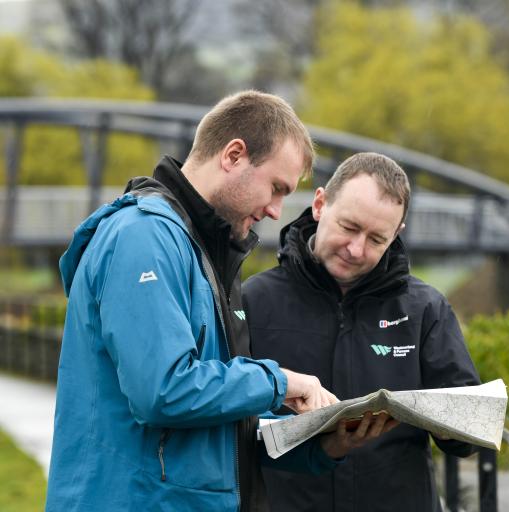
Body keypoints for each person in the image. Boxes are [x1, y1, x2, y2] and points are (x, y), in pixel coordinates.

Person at [46, 91, 395, 511]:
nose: (275, 211)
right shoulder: (145, 238)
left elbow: (219, 426)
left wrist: (324, 442)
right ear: (233, 156)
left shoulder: (208, 249)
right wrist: (280, 381)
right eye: (276, 188)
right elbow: (162, 391)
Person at [242, 152, 482, 512]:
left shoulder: (425, 308)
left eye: (376, 239)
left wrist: (456, 429)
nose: (356, 249)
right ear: (320, 204)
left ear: (397, 234)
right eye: (349, 227)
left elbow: (468, 436)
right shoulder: (253, 300)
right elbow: (225, 423)